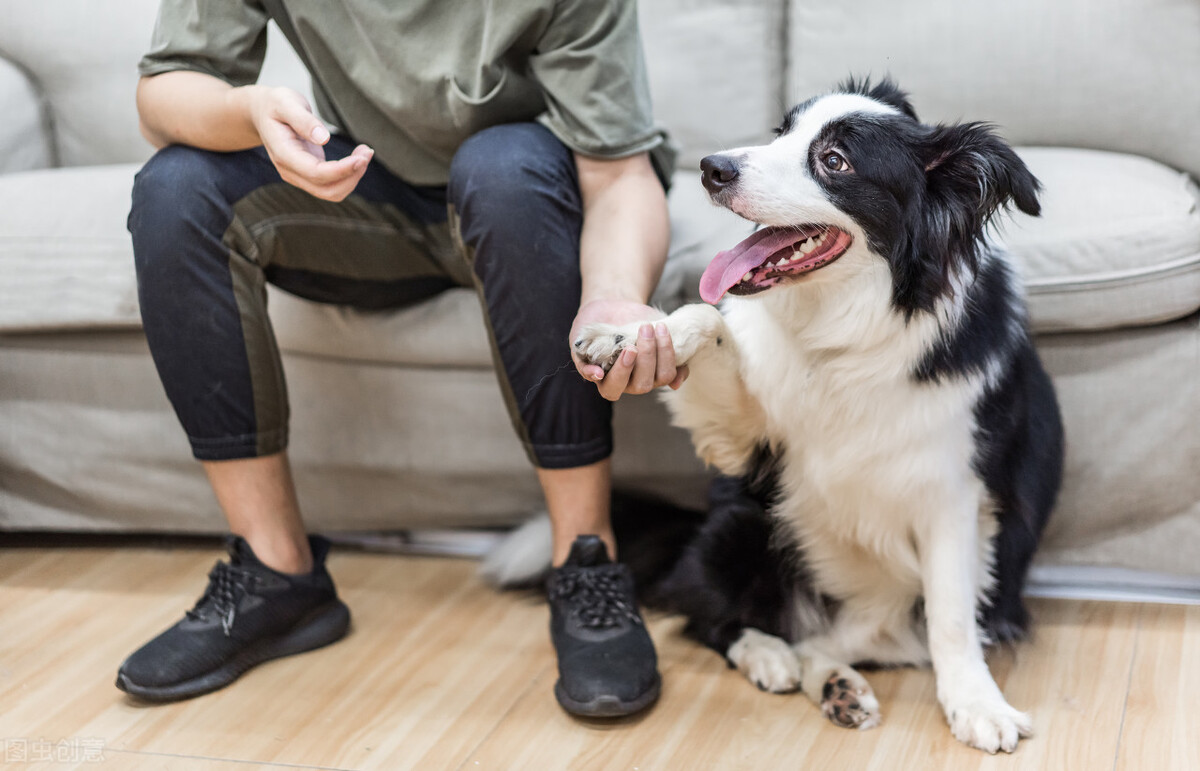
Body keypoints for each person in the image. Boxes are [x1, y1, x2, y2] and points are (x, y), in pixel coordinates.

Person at [117, 0, 683, 718]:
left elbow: (618, 175)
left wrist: (612, 298)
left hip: (533, 199)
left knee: (501, 164)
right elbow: (163, 92)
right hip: (370, 198)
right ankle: (275, 572)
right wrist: (249, 109)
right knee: (174, 189)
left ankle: (587, 562)